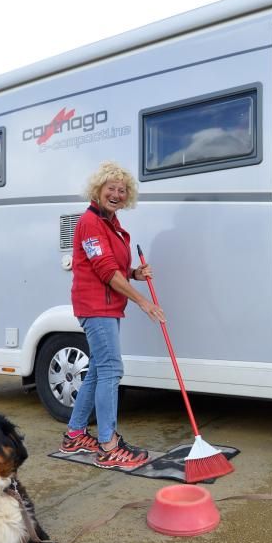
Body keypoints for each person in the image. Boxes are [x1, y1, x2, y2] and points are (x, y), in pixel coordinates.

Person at [59, 160, 166, 469]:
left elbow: (114, 268)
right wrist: (144, 302)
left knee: (97, 370)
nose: (116, 194)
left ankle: (75, 434)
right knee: (111, 370)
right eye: (111, 188)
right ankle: (108, 445)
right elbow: (105, 272)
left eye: (122, 190)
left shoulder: (111, 223)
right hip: (96, 306)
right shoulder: (91, 223)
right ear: (98, 189)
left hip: (107, 305)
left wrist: (134, 272)